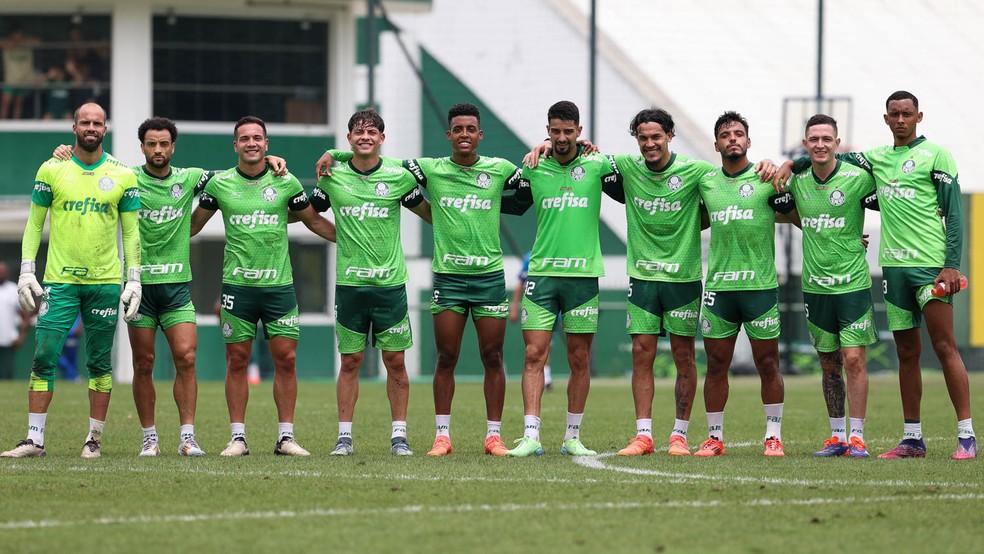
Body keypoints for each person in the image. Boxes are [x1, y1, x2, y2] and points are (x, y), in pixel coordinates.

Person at [527, 108, 777, 456]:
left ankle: (679, 435)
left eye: (656, 137)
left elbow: (733, 179)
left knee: (683, 357)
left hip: (684, 279)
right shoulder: (626, 168)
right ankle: (643, 434)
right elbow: (572, 149)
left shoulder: (697, 172)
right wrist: (544, 144)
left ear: (669, 137)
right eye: (643, 138)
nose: (649, 144)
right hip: (642, 279)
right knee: (641, 355)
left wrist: (769, 164)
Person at [51, 117, 289, 456]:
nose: (158, 149)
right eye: (152, 144)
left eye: (164, 144)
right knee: (144, 363)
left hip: (177, 287)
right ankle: (150, 437)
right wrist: (64, 153)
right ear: (143, 147)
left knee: (186, 357)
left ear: (173, 147)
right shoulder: (126, 177)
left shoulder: (191, 178)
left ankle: (187, 437)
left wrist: (269, 160)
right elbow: (88, 171)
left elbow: (238, 173)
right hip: (139, 288)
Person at [316, 103, 527, 457]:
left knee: (493, 355)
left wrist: (550, 148)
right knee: (446, 357)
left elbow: (535, 181)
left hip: (489, 275)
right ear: (448, 134)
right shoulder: (426, 169)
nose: (463, 135)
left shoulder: (501, 169)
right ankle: (441, 436)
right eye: (457, 129)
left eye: (470, 129)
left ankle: (494, 436)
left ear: (480, 134)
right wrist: (334, 152)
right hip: (446, 276)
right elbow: (373, 158)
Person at [780, 91, 974, 459]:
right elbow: (828, 155)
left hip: (930, 266)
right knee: (906, 353)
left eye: (907, 114)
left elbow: (954, 213)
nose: (901, 120)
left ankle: (966, 434)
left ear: (919, 116)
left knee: (945, 346)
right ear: (886, 119)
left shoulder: (937, 155)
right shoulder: (876, 159)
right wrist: (793, 164)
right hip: (893, 268)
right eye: (894, 115)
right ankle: (912, 438)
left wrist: (952, 263)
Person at [1, 102, 141, 459]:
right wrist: (27, 269)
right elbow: (34, 223)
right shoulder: (52, 169)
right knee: (44, 355)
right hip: (59, 282)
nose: (91, 127)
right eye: (85, 122)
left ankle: (93, 440)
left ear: (105, 128)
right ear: (74, 127)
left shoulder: (123, 175)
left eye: (97, 122)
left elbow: (131, 233)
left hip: (105, 282)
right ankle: (35, 439)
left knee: (98, 362)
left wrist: (133, 278)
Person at [190, 115, 336, 457]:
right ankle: (237, 438)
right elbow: (193, 226)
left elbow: (313, 220)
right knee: (237, 360)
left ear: (267, 144)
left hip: (279, 288)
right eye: (245, 138)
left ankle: (286, 437)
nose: (252, 143)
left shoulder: (286, 183)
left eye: (258, 138)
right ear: (235, 145)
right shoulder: (219, 185)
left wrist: (351, 240)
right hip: (237, 288)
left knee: (286, 359)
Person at [310, 109, 431, 457]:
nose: (365, 137)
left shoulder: (398, 176)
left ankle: (399, 437)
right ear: (349, 138)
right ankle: (344, 437)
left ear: (382, 138)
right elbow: (309, 215)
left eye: (372, 132)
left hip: (390, 285)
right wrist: (341, 237)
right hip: (350, 286)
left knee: (395, 362)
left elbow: (430, 213)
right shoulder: (331, 177)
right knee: (350, 362)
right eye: (358, 132)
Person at [505, 100, 622, 457]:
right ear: (548, 130)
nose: (561, 138)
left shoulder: (597, 163)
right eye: (555, 131)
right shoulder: (533, 166)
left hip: (583, 277)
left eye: (568, 131)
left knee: (579, 358)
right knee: (533, 354)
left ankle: (572, 436)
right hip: (542, 275)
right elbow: (505, 195)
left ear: (579, 132)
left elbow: (628, 177)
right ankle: (531, 436)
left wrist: (596, 150)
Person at [770, 114, 877, 458]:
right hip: (815, 287)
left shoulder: (858, 179)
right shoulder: (796, 182)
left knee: (854, 359)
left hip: (853, 284)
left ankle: (857, 437)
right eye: (813, 139)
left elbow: (891, 193)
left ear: (837, 143)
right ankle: (837, 437)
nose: (820, 144)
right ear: (805, 143)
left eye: (826, 139)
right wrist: (787, 165)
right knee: (829, 363)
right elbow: (786, 213)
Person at [694, 111, 793, 458]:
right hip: (719, 288)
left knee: (769, 364)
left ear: (748, 141)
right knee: (716, 365)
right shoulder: (706, 183)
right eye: (725, 134)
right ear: (717, 143)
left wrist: (849, 234)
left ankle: (773, 436)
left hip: (760, 287)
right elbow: (693, 221)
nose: (732, 138)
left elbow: (800, 215)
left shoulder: (768, 177)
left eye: (739, 134)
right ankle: (714, 437)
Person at [509, 251, 552, 392]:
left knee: (548, 344)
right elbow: (520, 285)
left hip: (555, 306)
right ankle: (543, 378)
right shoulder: (531, 257)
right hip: (537, 306)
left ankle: (546, 377)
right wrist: (514, 307)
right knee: (536, 346)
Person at [0, 25, 40, 120]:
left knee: (18, 104)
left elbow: (38, 41)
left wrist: (23, 42)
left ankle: (16, 122)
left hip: (24, 80)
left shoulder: (26, 44)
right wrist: (14, 43)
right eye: (16, 35)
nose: (18, 37)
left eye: (20, 35)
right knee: (5, 103)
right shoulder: (7, 44)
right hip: (10, 79)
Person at [0, 261, 29, 380]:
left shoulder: (13, 289)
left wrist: (22, 335)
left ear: (7, 274)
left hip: (8, 339)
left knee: (6, 375)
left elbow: (25, 314)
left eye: (2, 272)